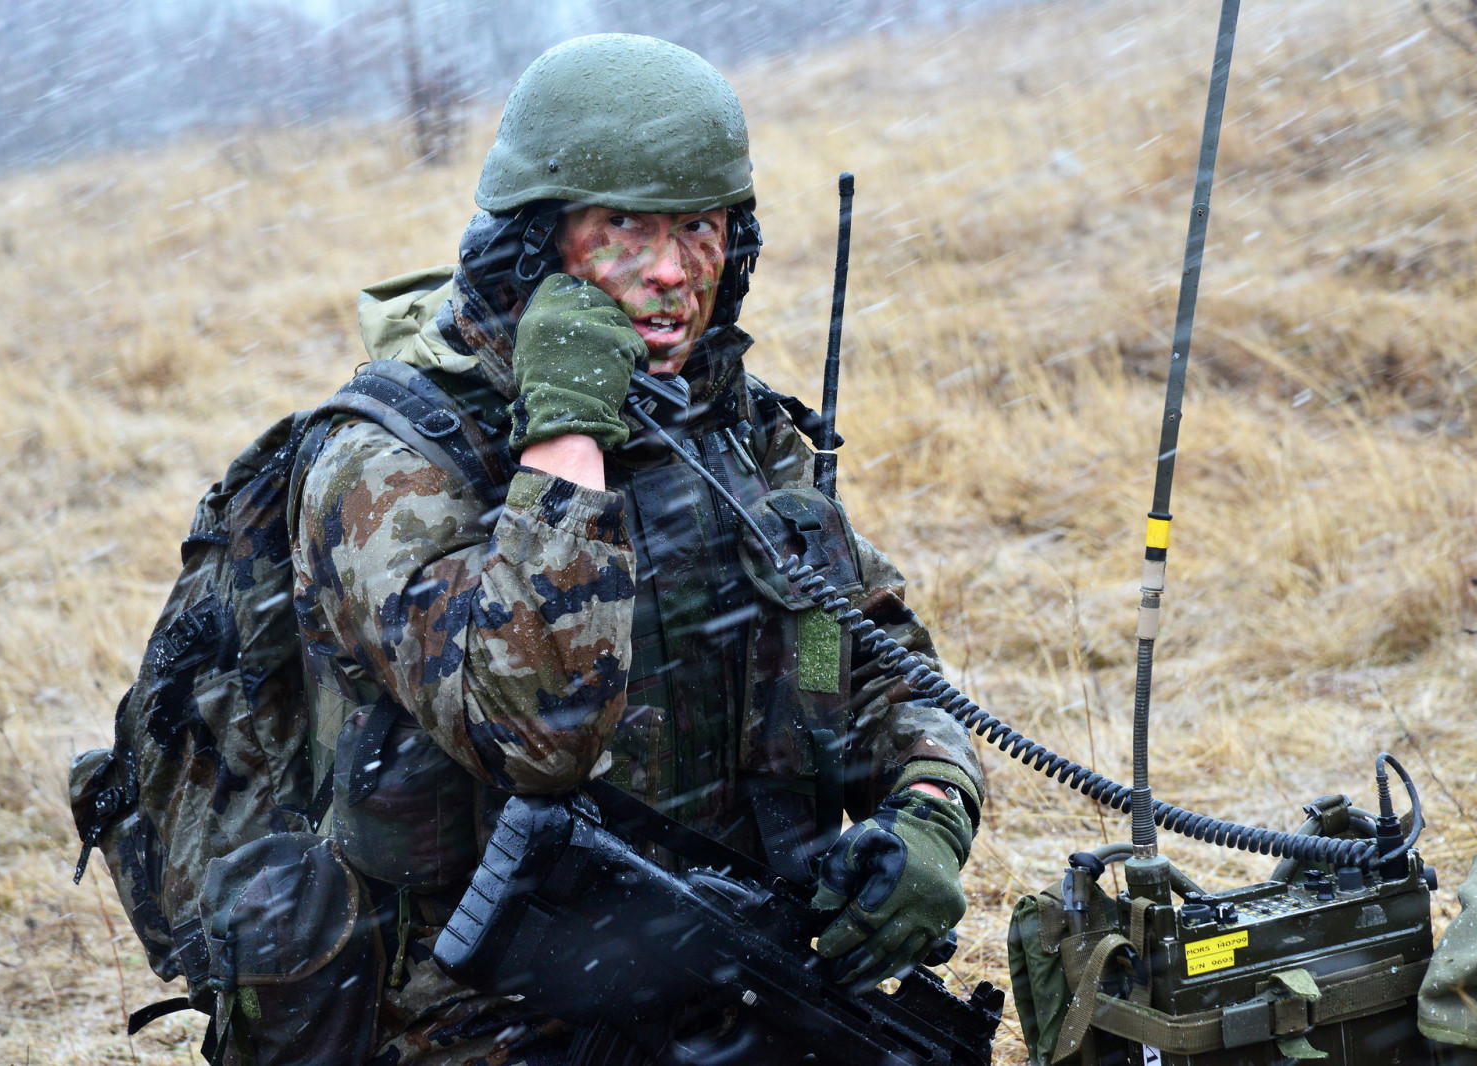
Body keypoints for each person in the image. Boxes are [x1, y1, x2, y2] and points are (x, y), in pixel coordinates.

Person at [289, 33, 985, 1066]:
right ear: (536, 245)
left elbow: (884, 662)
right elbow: (537, 734)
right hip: (481, 1016)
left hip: (738, 971)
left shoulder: (736, 431)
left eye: (699, 228)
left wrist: (927, 816)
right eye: (623, 229)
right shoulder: (387, 465)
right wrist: (567, 441)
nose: (670, 272)